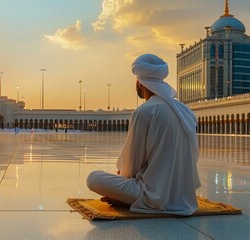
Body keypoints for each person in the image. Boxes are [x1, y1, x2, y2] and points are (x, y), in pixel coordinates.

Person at [86, 54, 201, 216]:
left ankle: (131, 201)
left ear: (140, 83)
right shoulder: (184, 111)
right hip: (183, 196)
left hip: (153, 196)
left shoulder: (145, 111)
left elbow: (131, 164)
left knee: (93, 178)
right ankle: (129, 199)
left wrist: (124, 178)